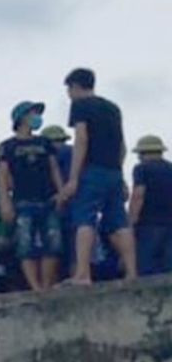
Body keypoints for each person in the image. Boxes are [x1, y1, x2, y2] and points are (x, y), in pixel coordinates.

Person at [58, 68, 138, 283]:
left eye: (69, 89)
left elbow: (81, 140)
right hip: (113, 170)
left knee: (85, 219)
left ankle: (83, 273)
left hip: (91, 170)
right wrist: (120, 173)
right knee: (119, 222)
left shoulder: (80, 106)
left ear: (75, 86)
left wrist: (73, 178)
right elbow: (122, 145)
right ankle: (131, 271)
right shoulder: (113, 108)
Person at [0, 101, 64, 290]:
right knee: (25, 246)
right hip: (22, 201)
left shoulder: (44, 142)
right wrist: (5, 202)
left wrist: (61, 192)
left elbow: (54, 168)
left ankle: (46, 284)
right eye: (33, 113)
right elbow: (3, 176)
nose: (37, 117)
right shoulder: (7, 146)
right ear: (22, 118)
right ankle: (35, 287)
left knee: (53, 243)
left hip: (47, 199)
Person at [129, 134, 172, 275]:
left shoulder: (141, 169)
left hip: (148, 223)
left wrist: (131, 221)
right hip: (169, 223)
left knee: (146, 266)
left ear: (143, 153)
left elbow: (138, 195)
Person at [44, 124, 77, 276]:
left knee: (56, 245)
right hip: (76, 202)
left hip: (56, 204)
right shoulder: (75, 153)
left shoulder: (51, 156)